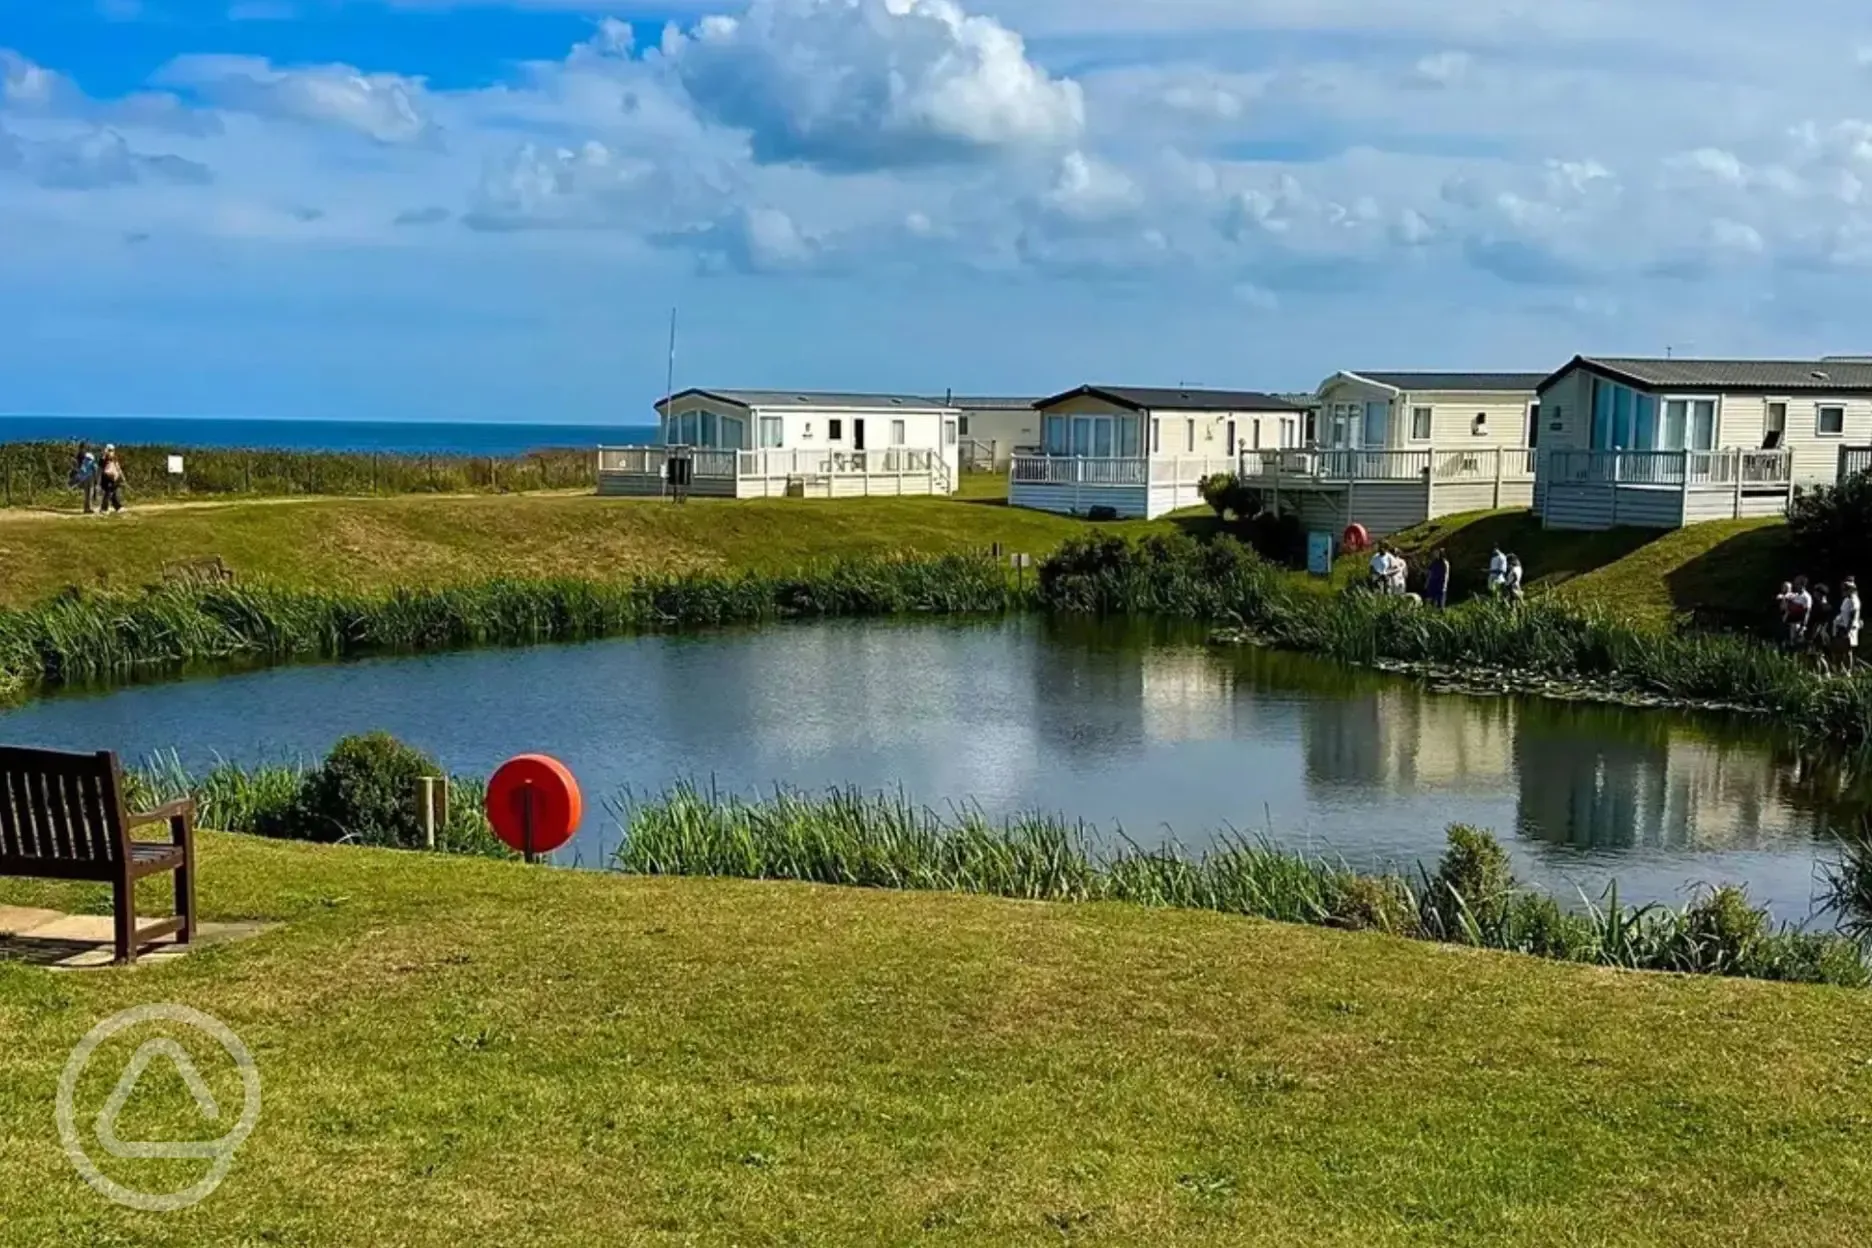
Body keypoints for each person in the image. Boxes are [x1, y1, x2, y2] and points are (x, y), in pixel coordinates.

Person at [1837, 577, 1862, 667]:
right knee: (1843, 650)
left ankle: (1849, 670)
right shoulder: (1846, 599)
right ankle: (1844, 668)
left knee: (1848, 651)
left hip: (1850, 628)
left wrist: (1847, 630)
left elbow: (1852, 616)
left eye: (1845, 589)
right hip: (1843, 626)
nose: (1843, 591)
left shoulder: (1854, 600)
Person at [68, 442, 99, 514]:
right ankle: (88, 508)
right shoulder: (87, 455)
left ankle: (86, 508)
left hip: (83, 475)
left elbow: (78, 465)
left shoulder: (79, 455)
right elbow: (93, 466)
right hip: (89, 475)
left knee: (87, 493)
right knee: (89, 492)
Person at [1785, 576, 1813, 648]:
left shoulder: (1806, 597)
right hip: (1791, 624)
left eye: (1797, 584)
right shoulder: (1795, 595)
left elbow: (1807, 612)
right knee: (1791, 644)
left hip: (1799, 624)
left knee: (1798, 645)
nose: (1795, 585)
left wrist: (1803, 626)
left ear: (1802, 585)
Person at [99, 444, 126, 513]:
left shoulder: (114, 458)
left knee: (113, 493)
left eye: (113, 450)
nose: (112, 452)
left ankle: (118, 507)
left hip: (114, 479)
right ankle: (103, 509)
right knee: (108, 493)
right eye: (110, 450)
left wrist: (122, 477)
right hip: (106, 478)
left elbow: (118, 468)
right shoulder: (104, 458)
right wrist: (104, 455)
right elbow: (101, 465)